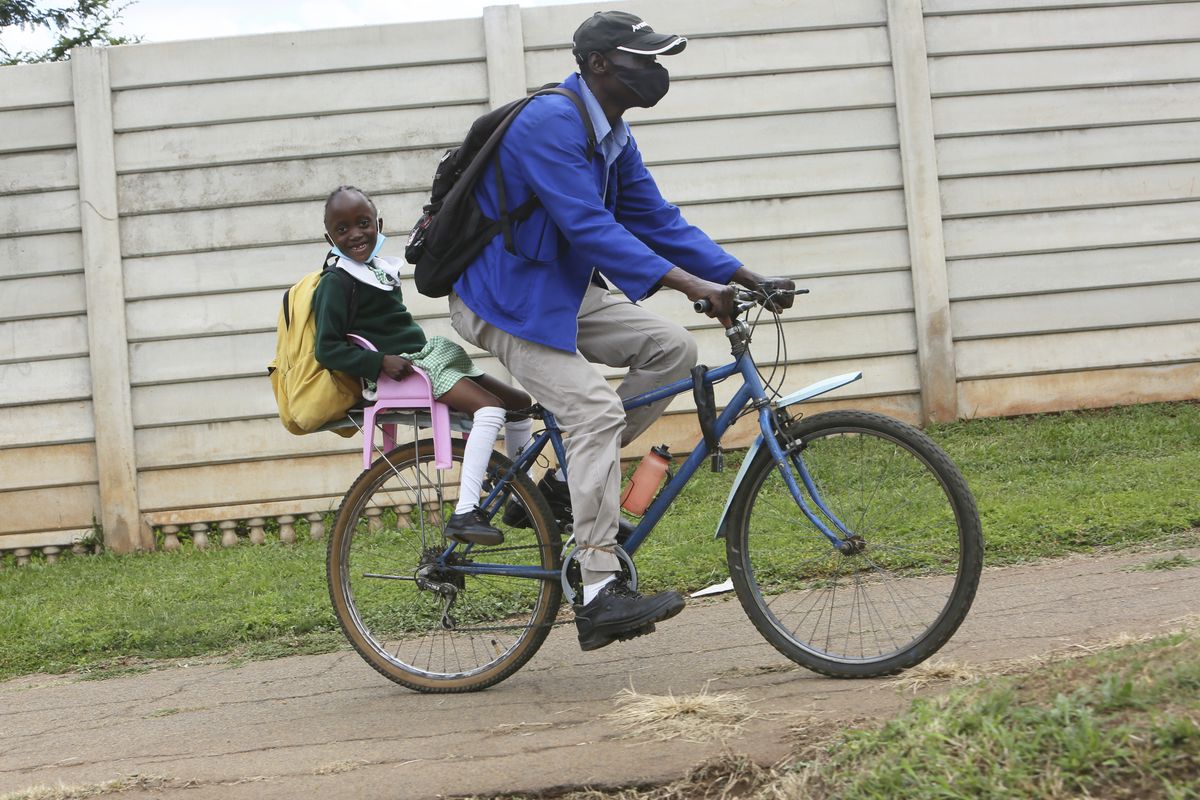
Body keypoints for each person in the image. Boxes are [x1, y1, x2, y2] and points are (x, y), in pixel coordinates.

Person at [446, 11, 796, 651]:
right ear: (600, 64)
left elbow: (656, 220)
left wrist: (745, 276)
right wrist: (692, 286)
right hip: (504, 297)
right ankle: (599, 589)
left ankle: (554, 488)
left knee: (672, 349)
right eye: (646, 59)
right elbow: (589, 227)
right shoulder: (551, 122)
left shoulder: (612, 133)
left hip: (559, 289)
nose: (658, 72)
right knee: (596, 412)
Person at [314, 185, 534, 545]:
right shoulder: (336, 282)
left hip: (429, 359)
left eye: (363, 223)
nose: (355, 234)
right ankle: (465, 511)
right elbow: (327, 349)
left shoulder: (379, 270)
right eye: (342, 229)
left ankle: (518, 496)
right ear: (329, 237)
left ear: (378, 223)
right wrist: (379, 362)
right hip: (408, 372)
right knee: (491, 410)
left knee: (520, 406)